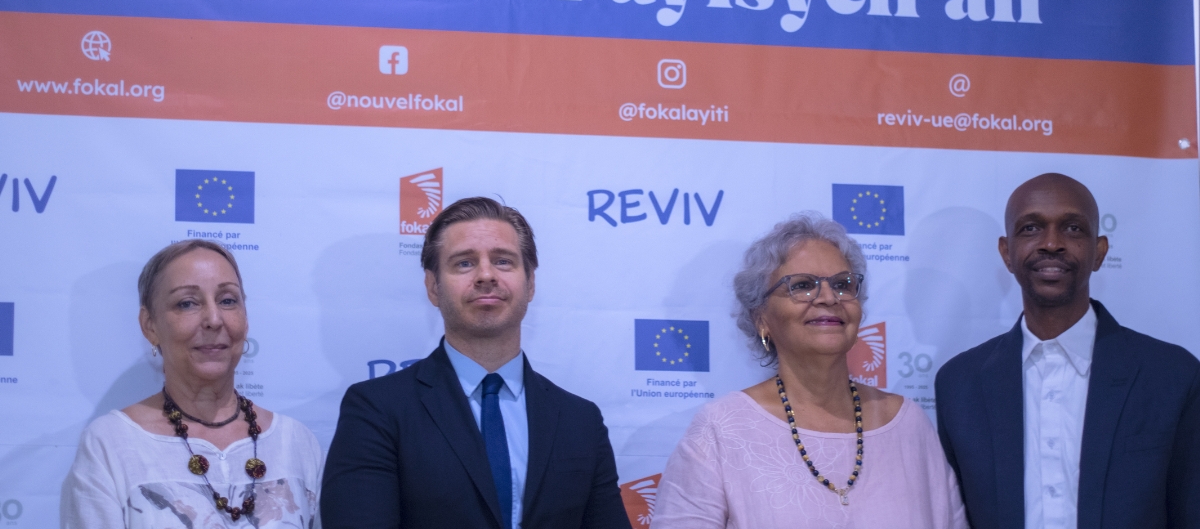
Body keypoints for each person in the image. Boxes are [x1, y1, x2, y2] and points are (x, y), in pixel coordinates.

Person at [321, 197, 631, 529]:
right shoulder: (377, 409)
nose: (486, 275)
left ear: (530, 284)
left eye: (503, 261)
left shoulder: (580, 420)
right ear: (433, 287)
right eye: (465, 263)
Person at [652, 212, 967, 528]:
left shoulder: (908, 424)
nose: (829, 298)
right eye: (802, 285)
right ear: (761, 318)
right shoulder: (721, 430)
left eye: (842, 284)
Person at [936, 173, 1200, 529]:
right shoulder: (959, 385)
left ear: (1099, 251)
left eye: (1073, 228)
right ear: (1006, 252)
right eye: (1030, 228)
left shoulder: (1173, 376)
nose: (1051, 243)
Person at [60, 239, 323, 528]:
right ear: (150, 325)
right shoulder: (111, 444)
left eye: (227, 300)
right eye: (187, 303)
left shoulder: (295, 443)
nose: (214, 319)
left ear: (246, 319)